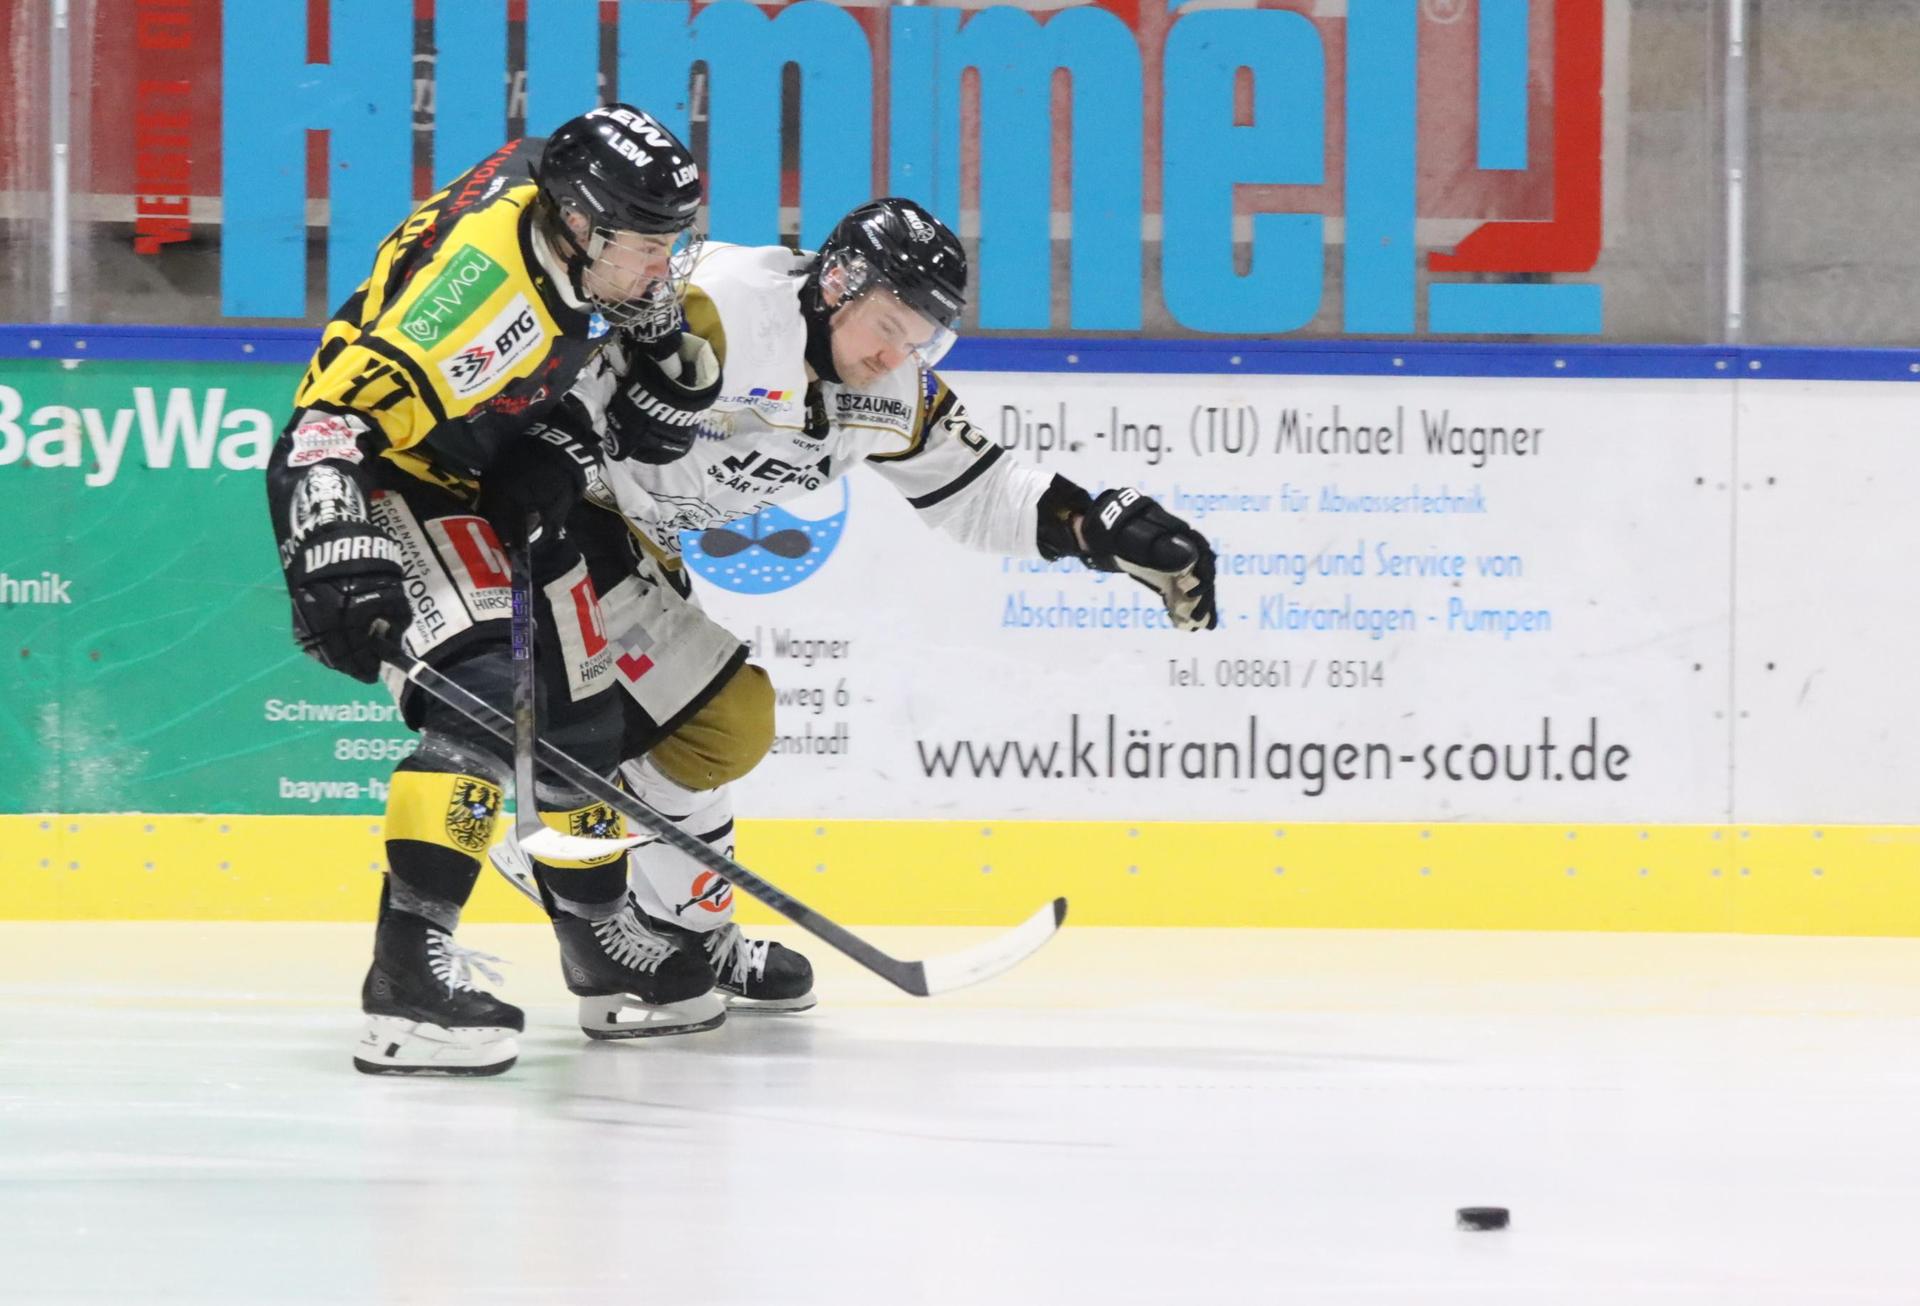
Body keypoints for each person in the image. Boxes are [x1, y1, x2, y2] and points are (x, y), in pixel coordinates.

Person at [488, 198, 1219, 1017]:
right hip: (556, 513)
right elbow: (568, 372)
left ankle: (682, 924)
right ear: (836, 283)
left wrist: (1097, 526)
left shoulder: (890, 387)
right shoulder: (722, 304)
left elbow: (979, 489)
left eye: (920, 339)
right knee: (722, 716)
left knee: (706, 730)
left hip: (639, 540)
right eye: (888, 326)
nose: (894, 356)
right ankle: (578, 868)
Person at [264, 104, 737, 1077]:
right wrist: (329, 550)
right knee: (486, 697)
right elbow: (325, 427)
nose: (663, 268)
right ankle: (408, 976)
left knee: (584, 717)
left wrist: (579, 422)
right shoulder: (479, 298)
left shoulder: (564, 204)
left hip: (484, 468)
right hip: (398, 477)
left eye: (670, 241)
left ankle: (599, 942)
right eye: (648, 246)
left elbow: (586, 338)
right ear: (583, 225)